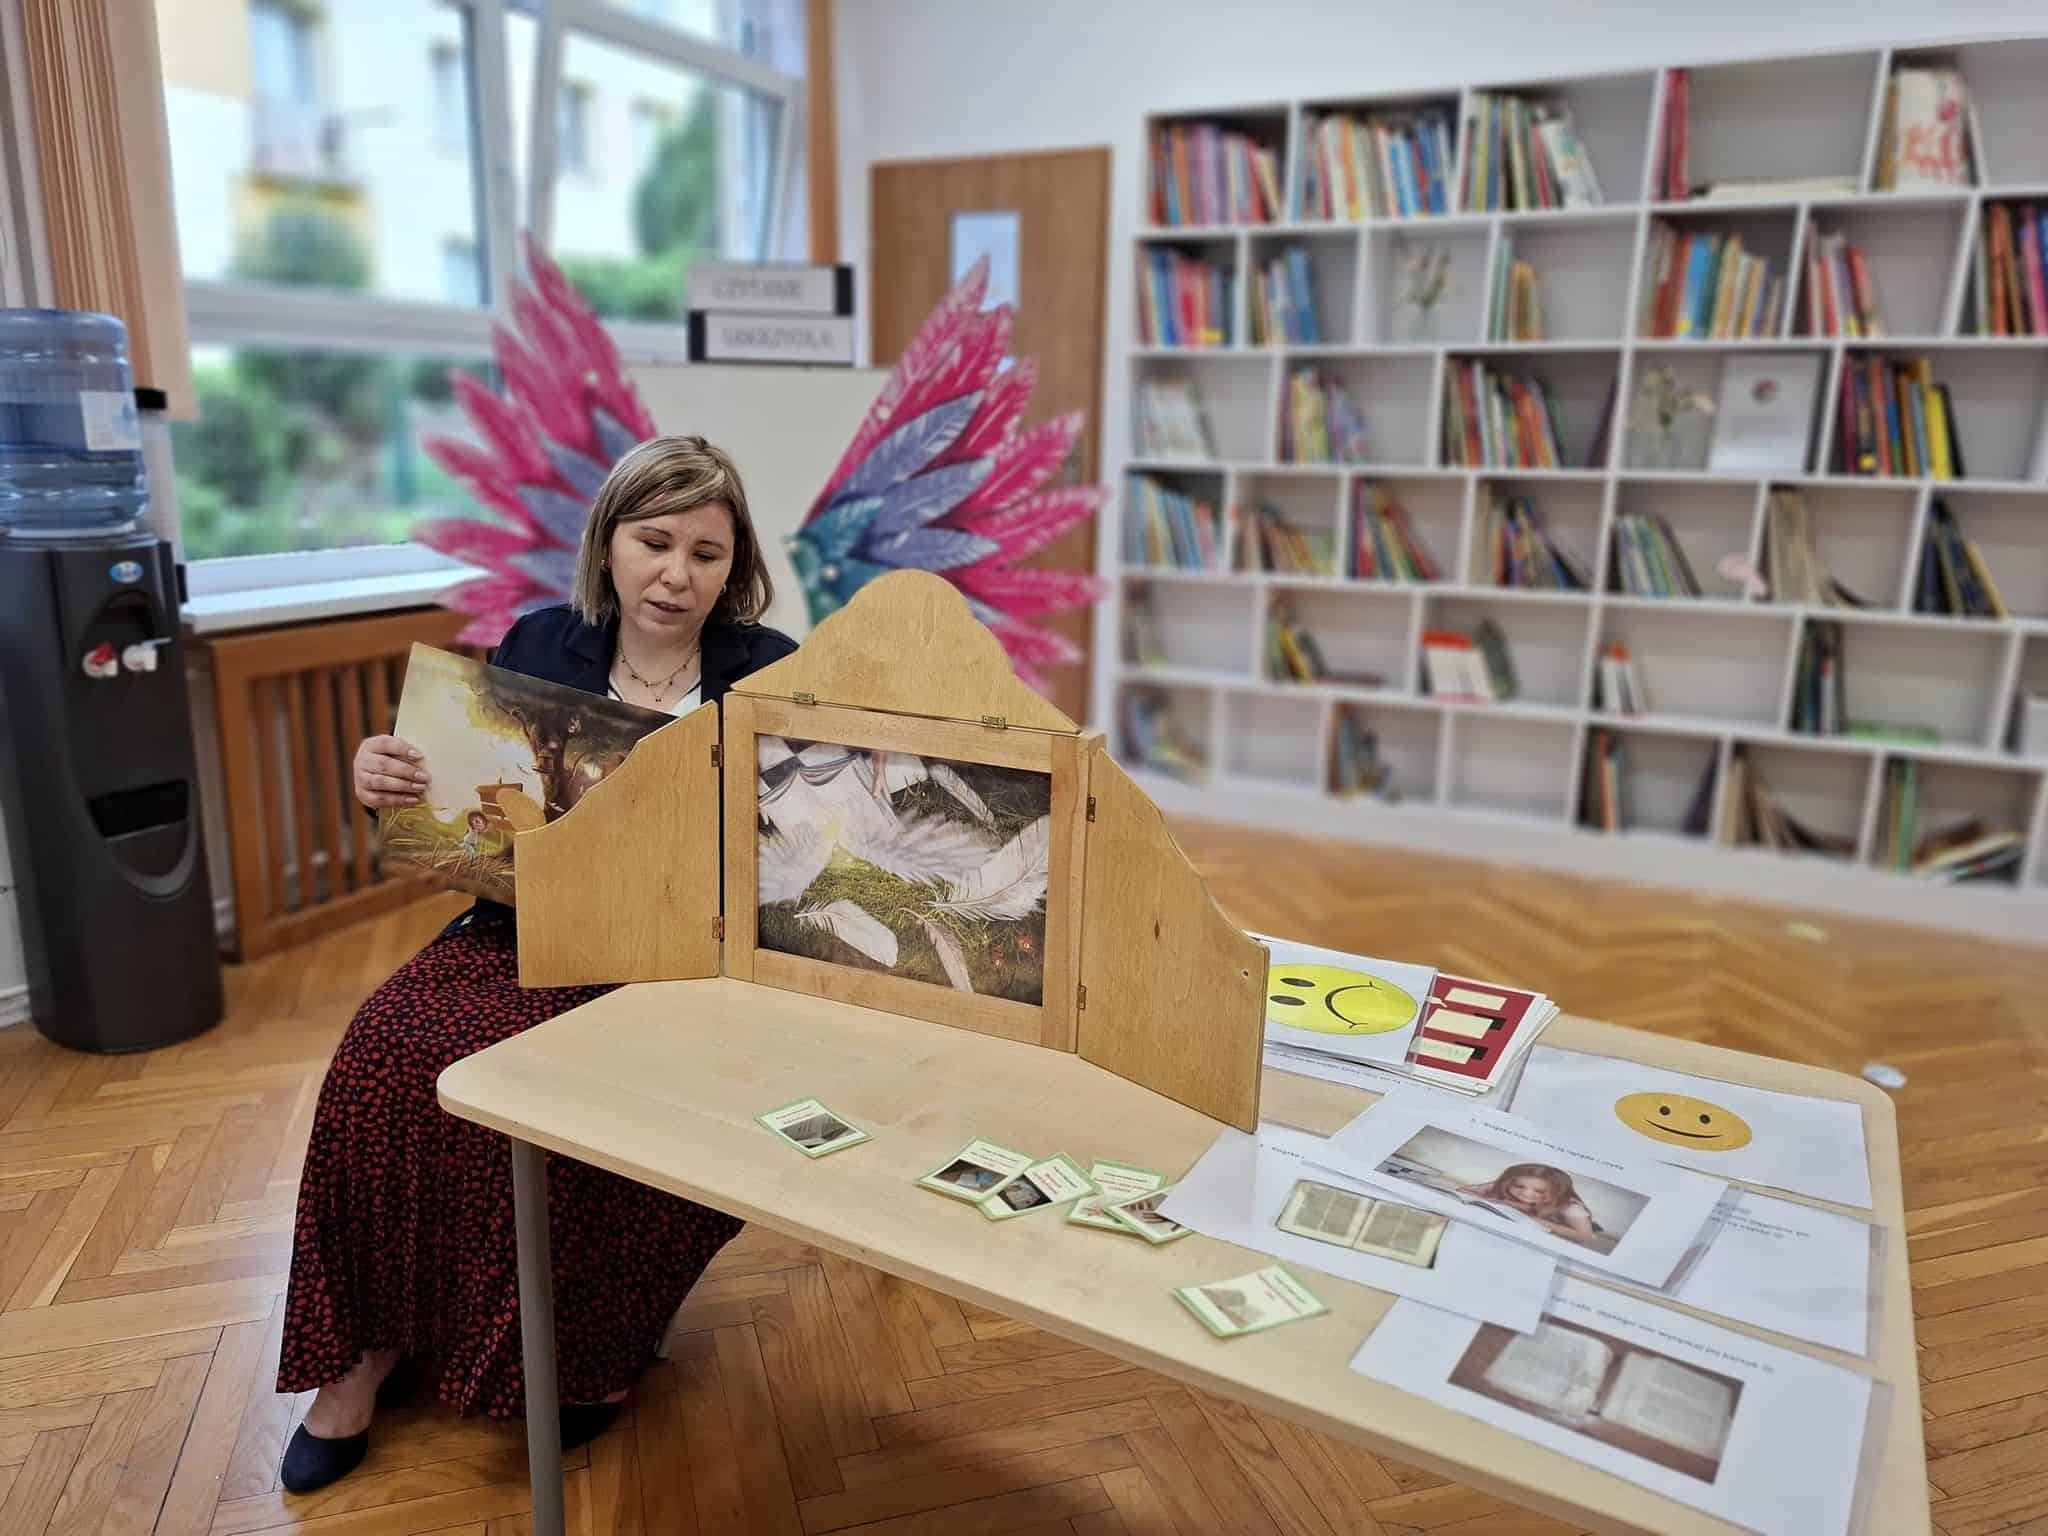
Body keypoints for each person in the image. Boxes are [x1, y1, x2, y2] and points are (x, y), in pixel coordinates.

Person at [279, 436, 797, 1493]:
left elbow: (797, 852)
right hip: (521, 931)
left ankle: (582, 1356)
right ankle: (364, 1353)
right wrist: (386, 780)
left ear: (732, 568)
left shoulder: (768, 671)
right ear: (607, 545)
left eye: (705, 554)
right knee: (383, 1054)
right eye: (653, 542)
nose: (675, 574)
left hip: (683, 963)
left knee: (606, 1104)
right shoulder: (539, 641)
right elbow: (462, 811)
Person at [1458, 1162, 1598, 1243]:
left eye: (1540, 1191)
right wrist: (1498, 1202)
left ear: (1558, 1192)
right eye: (1519, 1186)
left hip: (1564, 1222)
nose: (1527, 1193)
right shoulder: (1504, 1186)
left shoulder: (1571, 1207)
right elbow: (1463, 1190)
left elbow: (1585, 1236)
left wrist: (1527, 1216)